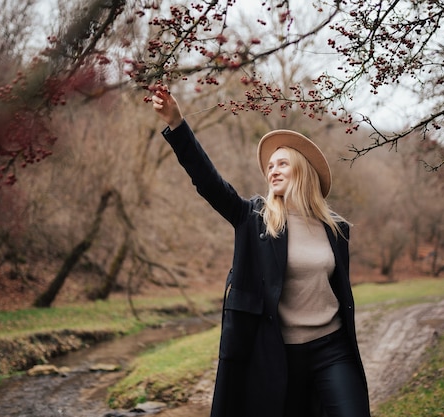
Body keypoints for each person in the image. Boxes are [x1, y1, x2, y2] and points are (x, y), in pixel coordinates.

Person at [151, 86, 371, 417]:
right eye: (270, 166)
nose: (273, 170)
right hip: (277, 354)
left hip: (332, 349)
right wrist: (177, 124)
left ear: (302, 169)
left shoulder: (334, 228)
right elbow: (209, 183)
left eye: (283, 163)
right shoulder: (254, 219)